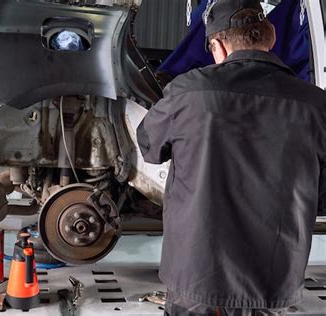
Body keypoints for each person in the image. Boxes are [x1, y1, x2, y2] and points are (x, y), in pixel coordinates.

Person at [136, 0, 326, 315]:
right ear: (272, 37)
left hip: (196, 276)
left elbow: (149, 147)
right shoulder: (316, 104)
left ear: (219, 45)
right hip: (270, 280)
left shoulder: (187, 93)